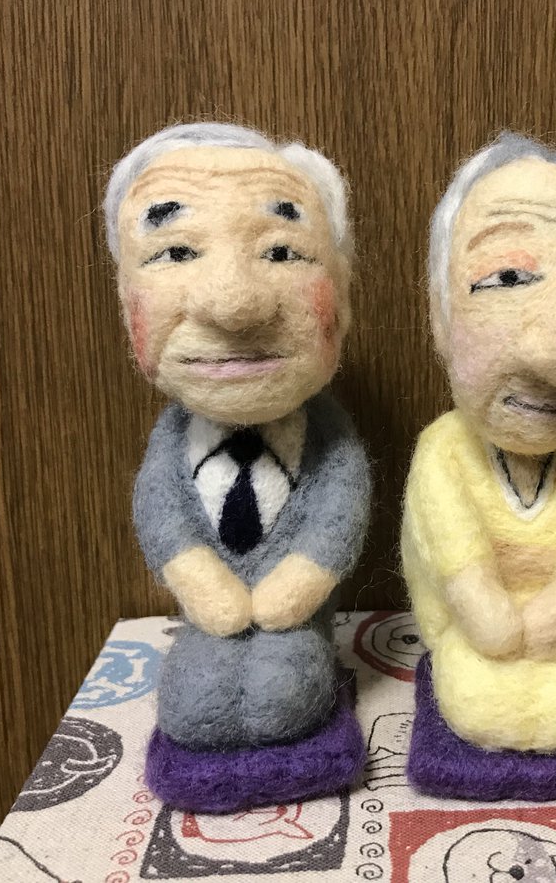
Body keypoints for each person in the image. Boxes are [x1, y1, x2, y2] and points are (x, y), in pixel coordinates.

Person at [103, 124, 370, 757]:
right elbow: (161, 511)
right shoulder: (172, 439)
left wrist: (300, 583)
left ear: (341, 297)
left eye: (281, 252)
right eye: (176, 251)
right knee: (195, 700)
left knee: (285, 688)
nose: (234, 303)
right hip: (207, 621)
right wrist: (198, 580)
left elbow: (339, 509)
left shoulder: (331, 437)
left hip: (295, 620)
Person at [403, 133, 556, 755]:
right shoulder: (444, 451)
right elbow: (451, 547)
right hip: (476, 631)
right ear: (440, 314)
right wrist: (485, 613)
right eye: (507, 276)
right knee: (475, 688)